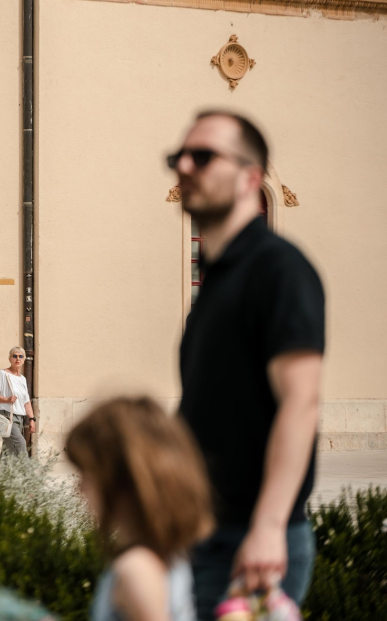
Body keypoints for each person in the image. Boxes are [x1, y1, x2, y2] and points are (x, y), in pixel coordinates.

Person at [169, 111, 324, 619]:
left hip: (249, 546)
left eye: (204, 156)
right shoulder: (216, 281)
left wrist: (269, 526)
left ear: (251, 177)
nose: (185, 166)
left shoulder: (279, 269)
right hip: (204, 535)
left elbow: (300, 403)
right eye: (180, 157)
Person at [67, 397, 213, 621]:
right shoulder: (170, 557)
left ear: (120, 484)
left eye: (86, 475)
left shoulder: (136, 570)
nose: (79, 489)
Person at [0, 346, 35, 456]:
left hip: (19, 418)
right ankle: (28, 472)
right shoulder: (3, 374)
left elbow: (26, 402)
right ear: (10, 359)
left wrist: (32, 419)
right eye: (15, 356)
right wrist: (7, 400)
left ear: (24, 359)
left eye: (20, 356)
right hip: (7, 416)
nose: (17, 359)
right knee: (20, 444)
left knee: (9, 450)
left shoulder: (22, 379)